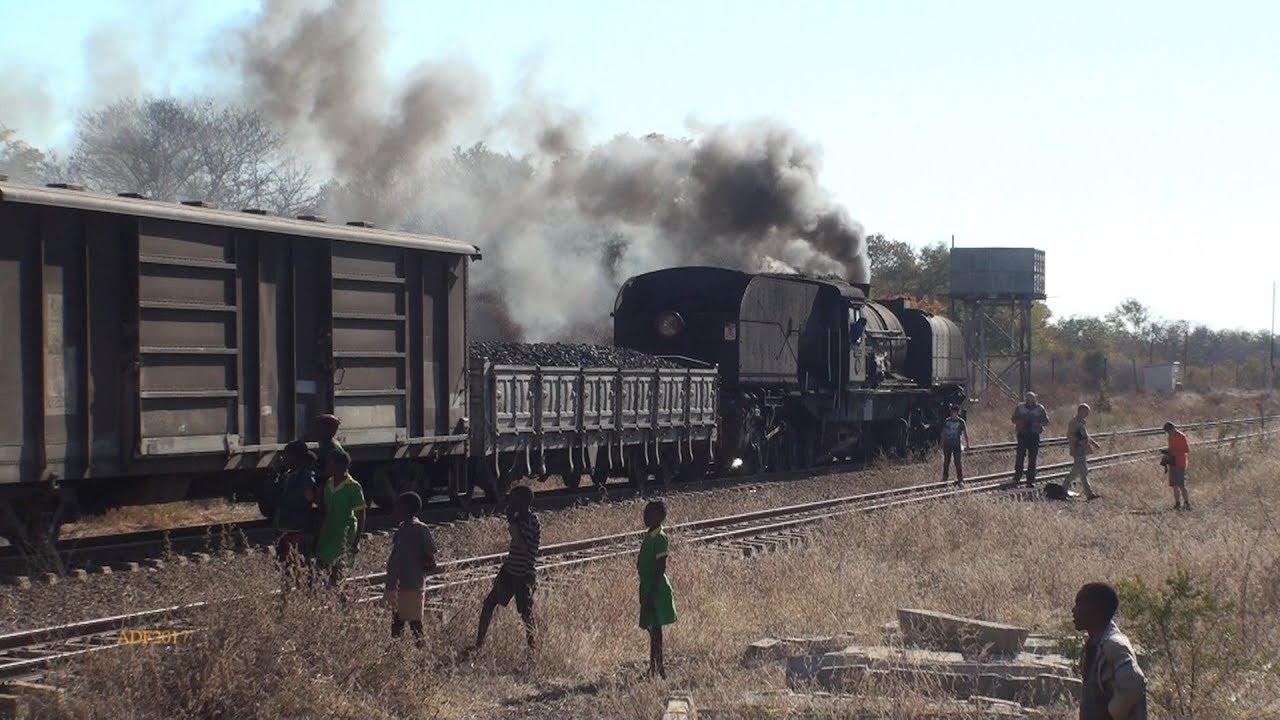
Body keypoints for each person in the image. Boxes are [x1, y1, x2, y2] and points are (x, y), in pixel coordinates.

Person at [474, 485, 540, 651]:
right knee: (489, 604)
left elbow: (523, 545)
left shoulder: (532, 522)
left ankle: (533, 649)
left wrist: (512, 523)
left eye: (514, 499)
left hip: (523, 575)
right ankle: (479, 644)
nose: (510, 503)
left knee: (526, 614)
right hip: (510, 572)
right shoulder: (519, 519)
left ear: (524, 502)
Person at [1072, 582, 1148, 720]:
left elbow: (1132, 684)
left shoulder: (1114, 645)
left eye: (1079, 604)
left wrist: (1110, 716)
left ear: (1095, 611)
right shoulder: (1096, 644)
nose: (1073, 610)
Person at [384, 492, 437, 647]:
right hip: (399, 584)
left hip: (413, 584)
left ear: (407, 509)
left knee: (414, 622)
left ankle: (420, 651)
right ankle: (396, 651)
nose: (395, 510)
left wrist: (426, 564)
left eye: (399, 507)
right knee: (397, 621)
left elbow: (430, 555)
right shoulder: (402, 528)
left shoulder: (421, 529)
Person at [314, 449, 366, 585]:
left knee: (331, 564)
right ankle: (338, 596)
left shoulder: (353, 487)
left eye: (330, 464)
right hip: (328, 529)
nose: (327, 467)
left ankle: (339, 596)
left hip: (344, 531)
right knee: (324, 563)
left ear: (341, 466)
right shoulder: (329, 483)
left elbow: (361, 514)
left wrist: (356, 540)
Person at [638, 499, 677, 679]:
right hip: (648, 587)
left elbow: (661, 568)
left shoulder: (660, 537)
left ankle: (658, 667)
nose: (645, 516)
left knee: (656, 632)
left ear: (659, 517)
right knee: (653, 630)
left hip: (657, 589)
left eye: (649, 513)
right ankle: (655, 666)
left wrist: (652, 594)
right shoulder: (650, 534)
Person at [272, 441, 320, 568]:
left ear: (297, 458)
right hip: (285, 527)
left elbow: (311, 500)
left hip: (298, 528)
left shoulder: (306, 478)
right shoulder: (288, 475)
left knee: (299, 564)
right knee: (285, 565)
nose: (285, 458)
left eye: (288, 455)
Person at [1062, 404, 1102, 500]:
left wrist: (1094, 443)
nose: (1087, 414)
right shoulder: (1073, 423)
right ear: (1080, 411)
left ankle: (1064, 488)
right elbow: (1070, 436)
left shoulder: (1082, 423)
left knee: (1075, 471)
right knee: (1083, 471)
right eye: (1085, 412)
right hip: (1077, 449)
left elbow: (1086, 436)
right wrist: (1078, 442)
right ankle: (1089, 494)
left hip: (1083, 449)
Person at [1011, 392, 1049, 487]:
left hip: (1034, 435)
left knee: (1032, 458)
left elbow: (1046, 421)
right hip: (1022, 434)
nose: (1030, 402)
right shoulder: (1020, 408)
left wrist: (1038, 424)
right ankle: (1017, 475)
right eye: (1028, 400)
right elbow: (1013, 419)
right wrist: (1020, 422)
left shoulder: (1040, 408)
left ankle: (1030, 479)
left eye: (1032, 400)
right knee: (1020, 456)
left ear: (1035, 399)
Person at [1164, 422, 1191, 511]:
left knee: (1181, 485)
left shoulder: (1181, 436)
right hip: (1173, 463)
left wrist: (1176, 453)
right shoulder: (1170, 437)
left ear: (1173, 429)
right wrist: (1167, 451)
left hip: (1180, 463)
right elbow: (1171, 448)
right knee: (1174, 485)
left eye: (1169, 431)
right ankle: (1177, 504)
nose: (1168, 433)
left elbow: (1187, 450)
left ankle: (1187, 504)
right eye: (1167, 432)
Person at [940, 404, 969, 486]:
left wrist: (967, 444)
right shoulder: (947, 421)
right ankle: (945, 478)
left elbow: (965, 433)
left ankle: (960, 479)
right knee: (946, 462)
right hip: (947, 445)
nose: (953, 414)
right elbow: (943, 433)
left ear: (958, 412)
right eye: (952, 412)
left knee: (958, 462)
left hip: (957, 445)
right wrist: (941, 443)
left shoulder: (961, 422)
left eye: (955, 412)